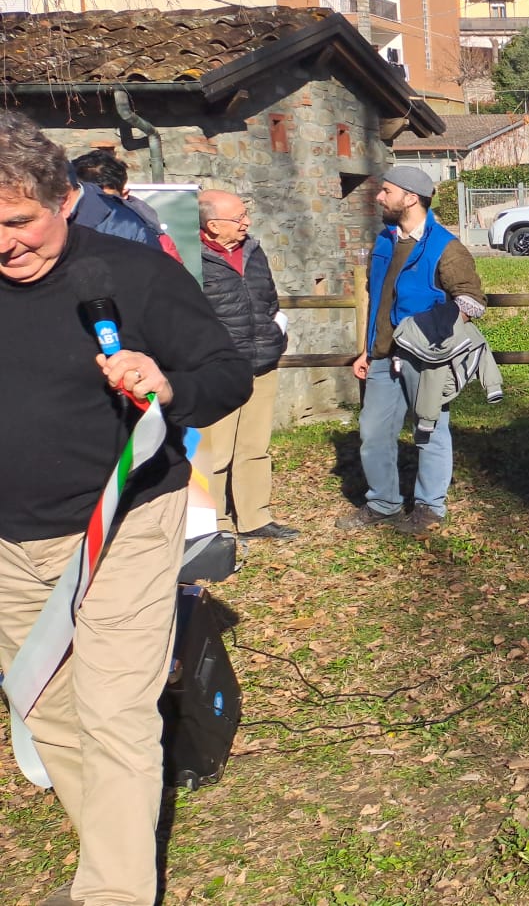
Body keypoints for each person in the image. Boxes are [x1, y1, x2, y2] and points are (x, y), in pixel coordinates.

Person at [0, 110, 249, 906]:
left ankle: (111, 892)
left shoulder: (132, 276)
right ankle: (111, 848)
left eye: (19, 221)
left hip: (122, 523)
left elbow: (225, 374)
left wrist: (167, 386)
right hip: (10, 543)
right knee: (47, 712)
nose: (4, 243)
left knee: (112, 709)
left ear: (65, 200)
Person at [338, 165, 485, 532]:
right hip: (382, 359)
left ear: (410, 197)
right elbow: (379, 300)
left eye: (386, 191)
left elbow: (473, 302)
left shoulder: (445, 247)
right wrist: (368, 350)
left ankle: (429, 507)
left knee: (430, 433)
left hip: (427, 361)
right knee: (372, 434)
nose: (379, 197)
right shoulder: (385, 241)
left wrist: (431, 334)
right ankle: (383, 504)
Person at [194, 189, 298, 542]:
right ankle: (216, 523)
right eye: (239, 218)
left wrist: (275, 334)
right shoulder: (189, 258)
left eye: (245, 215)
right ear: (212, 225)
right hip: (218, 370)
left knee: (254, 446)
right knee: (216, 451)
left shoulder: (253, 251)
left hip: (262, 363)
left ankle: (255, 517)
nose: (247, 223)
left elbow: (269, 298)